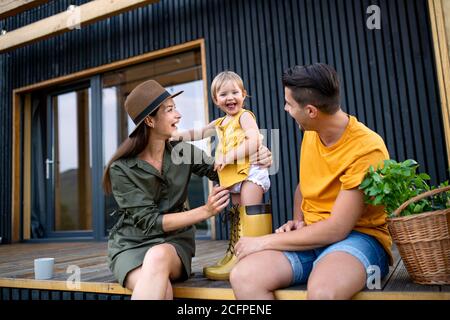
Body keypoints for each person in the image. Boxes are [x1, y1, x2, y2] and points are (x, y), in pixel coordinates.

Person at [229, 63, 392, 300]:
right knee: (243, 276)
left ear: (311, 111)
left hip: (359, 238)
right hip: (314, 235)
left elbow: (337, 228)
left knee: (322, 293)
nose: (285, 108)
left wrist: (264, 242)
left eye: (289, 104)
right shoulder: (312, 133)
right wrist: (298, 221)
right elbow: (304, 186)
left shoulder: (366, 149)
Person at [102, 79, 272, 300]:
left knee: (158, 256)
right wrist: (205, 211)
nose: (179, 115)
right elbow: (149, 221)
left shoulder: (183, 151)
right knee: (162, 290)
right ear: (150, 121)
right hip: (131, 245)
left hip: (172, 245)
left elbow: (221, 171)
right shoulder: (121, 169)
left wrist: (256, 156)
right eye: (170, 110)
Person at [172, 71, 272, 280]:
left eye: (235, 92)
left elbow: (254, 141)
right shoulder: (220, 123)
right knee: (236, 219)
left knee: (249, 214)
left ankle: (256, 260)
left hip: (250, 171)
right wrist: (173, 136)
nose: (230, 97)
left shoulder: (245, 116)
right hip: (234, 177)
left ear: (244, 94)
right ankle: (235, 253)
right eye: (224, 94)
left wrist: (228, 156)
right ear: (216, 100)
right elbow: (197, 133)